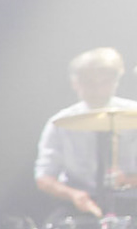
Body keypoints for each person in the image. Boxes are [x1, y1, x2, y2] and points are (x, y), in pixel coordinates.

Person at [33, 47, 137, 218]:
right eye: (89, 83)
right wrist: (73, 194)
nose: (97, 89)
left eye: (104, 82)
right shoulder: (60, 122)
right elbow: (44, 177)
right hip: (80, 202)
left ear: (115, 82)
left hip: (131, 199)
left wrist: (128, 181)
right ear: (75, 83)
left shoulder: (134, 114)